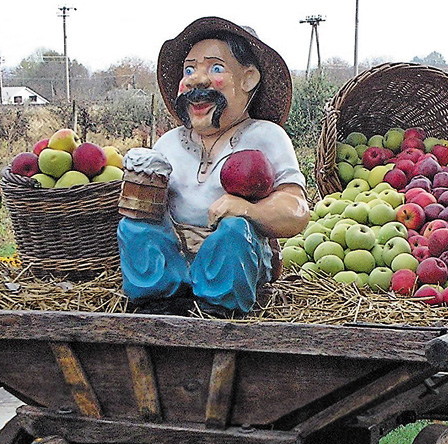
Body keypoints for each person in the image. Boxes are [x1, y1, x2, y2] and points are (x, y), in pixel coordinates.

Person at [117, 16, 309, 316]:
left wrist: (249, 210)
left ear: (248, 79)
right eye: (189, 70)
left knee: (234, 231)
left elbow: (295, 209)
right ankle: (157, 299)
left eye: (215, 68)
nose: (196, 80)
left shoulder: (265, 136)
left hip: (232, 257)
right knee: (134, 226)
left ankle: (218, 305)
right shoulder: (169, 143)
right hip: (175, 253)